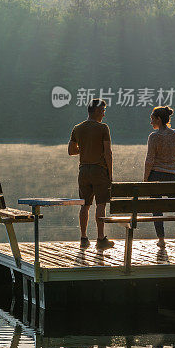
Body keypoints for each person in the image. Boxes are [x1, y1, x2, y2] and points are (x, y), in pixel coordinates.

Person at [144, 105, 175, 249]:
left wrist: (146, 179)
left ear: (158, 119)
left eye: (152, 119)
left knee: (157, 208)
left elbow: (150, 160)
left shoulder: (153, 137)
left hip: (156, 176)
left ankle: (161, 240)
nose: (151, 122)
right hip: (172, 176)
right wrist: (172, 155)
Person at [68, 98, 114, 249]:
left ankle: (83, 238)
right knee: (100, 205)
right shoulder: (103, 128)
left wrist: (85, 148)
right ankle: (100, 239)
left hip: (83, 171)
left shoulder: (77, 128)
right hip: (99, 170)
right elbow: (108, 153)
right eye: (102, 111)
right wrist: (110, 174)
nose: (104, 115)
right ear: (96, 111)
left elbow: (71, 151)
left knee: (85, 205)